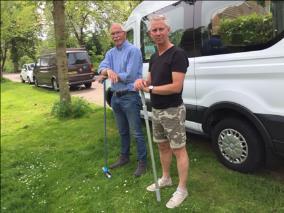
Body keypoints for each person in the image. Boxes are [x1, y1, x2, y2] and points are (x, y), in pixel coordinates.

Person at [134, 15, 189, 208]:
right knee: (162, 146)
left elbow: (176, 86)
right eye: (154, 30)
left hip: (172, 110)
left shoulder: (178, 54)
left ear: (168, 31)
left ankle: (182, 189)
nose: (157, 33)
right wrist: (142, 82)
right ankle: (166, 178)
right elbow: (150, 80)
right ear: (150, 34)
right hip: (156, 109)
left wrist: (150, 89)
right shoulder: (155, 56)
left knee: (178, 149)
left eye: (161, 29)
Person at [98, 23, 147, 177]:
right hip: (115, 97)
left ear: (124, 33)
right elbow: (101, 67)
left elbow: (131, 76)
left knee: (136, 132)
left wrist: (111, 74)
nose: (115, 36)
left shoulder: (133, 51)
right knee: (122, 131)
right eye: (112, 34)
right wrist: (107, 71)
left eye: (118, 33)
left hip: (130, 96)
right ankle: (124, 157)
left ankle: (142, 162)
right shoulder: (110, 53)